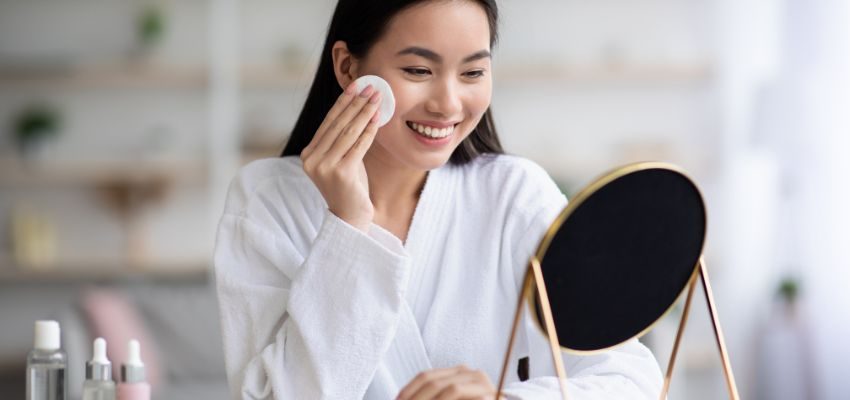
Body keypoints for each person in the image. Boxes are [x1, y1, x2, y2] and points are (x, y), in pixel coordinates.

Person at [213, 0, 664, 398]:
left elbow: (629, 377)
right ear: (348, 67)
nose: (448, 104)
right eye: (418, 71)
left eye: (472, 72)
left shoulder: (515, 195)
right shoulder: (267, 201)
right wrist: (347, 227)